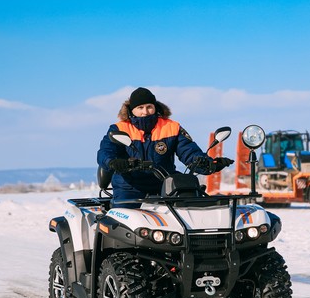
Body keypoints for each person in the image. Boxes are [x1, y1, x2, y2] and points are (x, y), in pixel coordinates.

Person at [97, 87, 233, 208]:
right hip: (130, 187)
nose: (145, 112)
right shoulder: (119, 128)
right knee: (124, 220)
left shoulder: (171, 127)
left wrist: (208, 163)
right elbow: (105, 151)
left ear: (155, 107)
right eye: (140, 108)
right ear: (131, 110)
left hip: (165, 185)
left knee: (191, 212)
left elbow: (189, 152)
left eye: (149, 106)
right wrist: (114, 162)